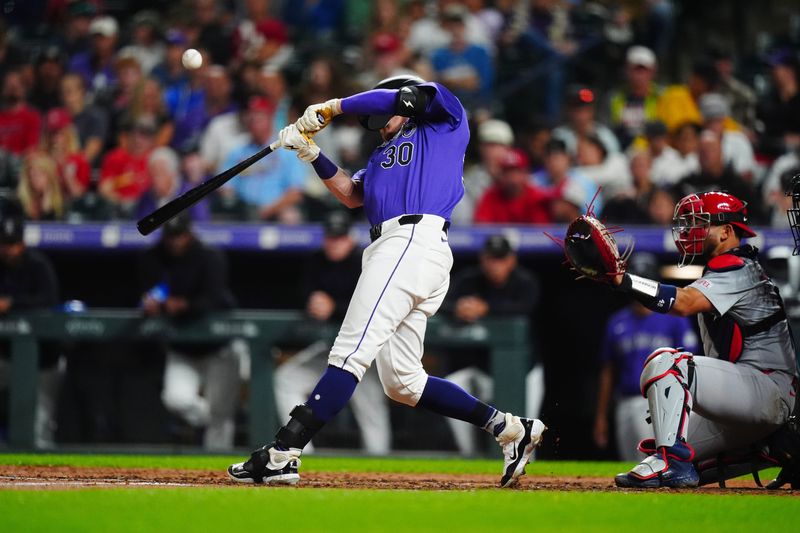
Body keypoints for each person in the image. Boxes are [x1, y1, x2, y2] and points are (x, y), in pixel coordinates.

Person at [228, 75, 546, 487]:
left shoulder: (444, 119)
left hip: (412, 241)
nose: (379, 124)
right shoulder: (380, 156)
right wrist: (310, 153)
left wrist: (332, 106)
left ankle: (283, 452)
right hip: (395, 248)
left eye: (384, 114)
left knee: (350, 352)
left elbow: (404, 97)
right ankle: (509, 428)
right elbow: (351, 194)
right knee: (403, 382)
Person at [602, 191, 797, 488]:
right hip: (749, 394)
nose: (689, 230)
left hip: (766, 387)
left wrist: (624, 280)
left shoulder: (740, 268)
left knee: (669, 363)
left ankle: (674, 462)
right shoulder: (726, 269)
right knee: (659, 454)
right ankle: (771, 447)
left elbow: (684, 303)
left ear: (727, 232)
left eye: (700, 222)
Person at [273, 212, 391, 455]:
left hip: (365, 354)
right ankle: (301, 452)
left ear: (350, 239)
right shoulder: (316, 261)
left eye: (339, 237)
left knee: (370, 406)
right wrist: (312, 301)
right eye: (330, 237)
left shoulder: (367, 261)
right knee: (286, 378)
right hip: (330, 350)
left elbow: (375, 303)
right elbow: (301, 294)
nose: (334, 243)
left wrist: (334, 307)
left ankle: (381, 465)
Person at [138, 213, 239, 450]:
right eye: (170, 236)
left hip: (218, 347)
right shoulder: (153, 258)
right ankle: (211, 419)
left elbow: (212, 299)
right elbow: (147, 293)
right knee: (176, 399)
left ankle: (220, 470)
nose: (174, 241)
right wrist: (151, 304)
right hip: (183, 348)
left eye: (179, 236)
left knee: (221, 416)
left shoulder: (209, 257)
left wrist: (182, 305)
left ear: (189, 233)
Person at [441, 235, 545, 456]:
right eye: (491, 258)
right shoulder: (469, 280)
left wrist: (485, 308)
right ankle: (468, 455)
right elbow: (443, 303)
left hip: (523, 372)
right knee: (452, 384)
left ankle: (528, 471)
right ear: (482, 259)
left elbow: (525, 307)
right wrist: (458, 308)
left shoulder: (524, 281)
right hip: (481, 370)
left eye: (501, 259)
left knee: (525, 432)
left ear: (511, 260)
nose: (495, 265)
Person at [593, 253, 698, 461]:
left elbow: (691, 365)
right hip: (625, 401)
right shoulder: (618, 321)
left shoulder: (674, 319)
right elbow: (608, 371)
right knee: (630, 465)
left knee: (656, 462)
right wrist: (601, 416)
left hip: (661, 402)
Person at [0, 196, 61, 448]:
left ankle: (49, 481)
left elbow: (49, 299)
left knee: (40, 425)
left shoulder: (38, 265)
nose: (9, 249)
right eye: (4, 244)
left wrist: (12, 304)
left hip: (45, 357)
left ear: (23, 243)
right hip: (6, 356)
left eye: (14, 244)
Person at [221, 96, 306, 222]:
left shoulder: (286, 150)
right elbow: (226, 187)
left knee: (290, 216)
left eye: (259, 119)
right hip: (243, 209)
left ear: (270, 119)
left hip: (276, 210)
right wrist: (232, 200)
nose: (254, 123)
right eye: (251, 119)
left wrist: (268, 210)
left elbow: (295, 193)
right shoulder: (238, 151)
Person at [474, 148, 551, 224]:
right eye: (508, 173)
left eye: (517, 172)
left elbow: (541, 232)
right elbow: (481, 229)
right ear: (501, 175)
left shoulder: (536, 198)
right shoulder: (490, 197)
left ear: (526, 173)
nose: (513, 178)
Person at [0, 68, 41, 155]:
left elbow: (32, 149)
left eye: (16, 86)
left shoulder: (32, 116)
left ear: (24, 89)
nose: (12, 89)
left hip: (22, 163)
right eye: (9, 86)